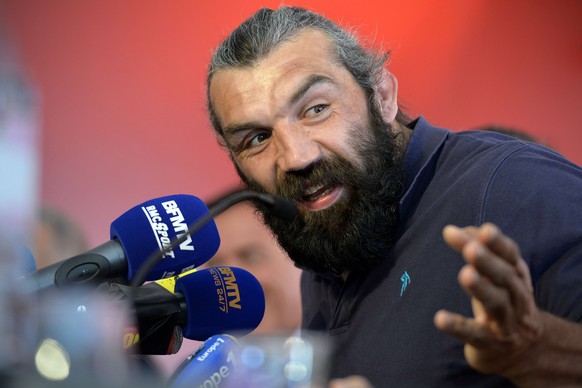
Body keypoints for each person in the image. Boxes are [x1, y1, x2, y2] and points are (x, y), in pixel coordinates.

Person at [204, 6, 582, 387]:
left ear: (382, 96)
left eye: (316, 109)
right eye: (257, 139)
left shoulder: (511, 186)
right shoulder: (327, 247)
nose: (297, 158)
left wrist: (540, 352)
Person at [205, 189, 303, 335]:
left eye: (251, 257)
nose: (231, 282)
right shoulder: (205, 357)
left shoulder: (346, 349)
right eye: (216, 267)